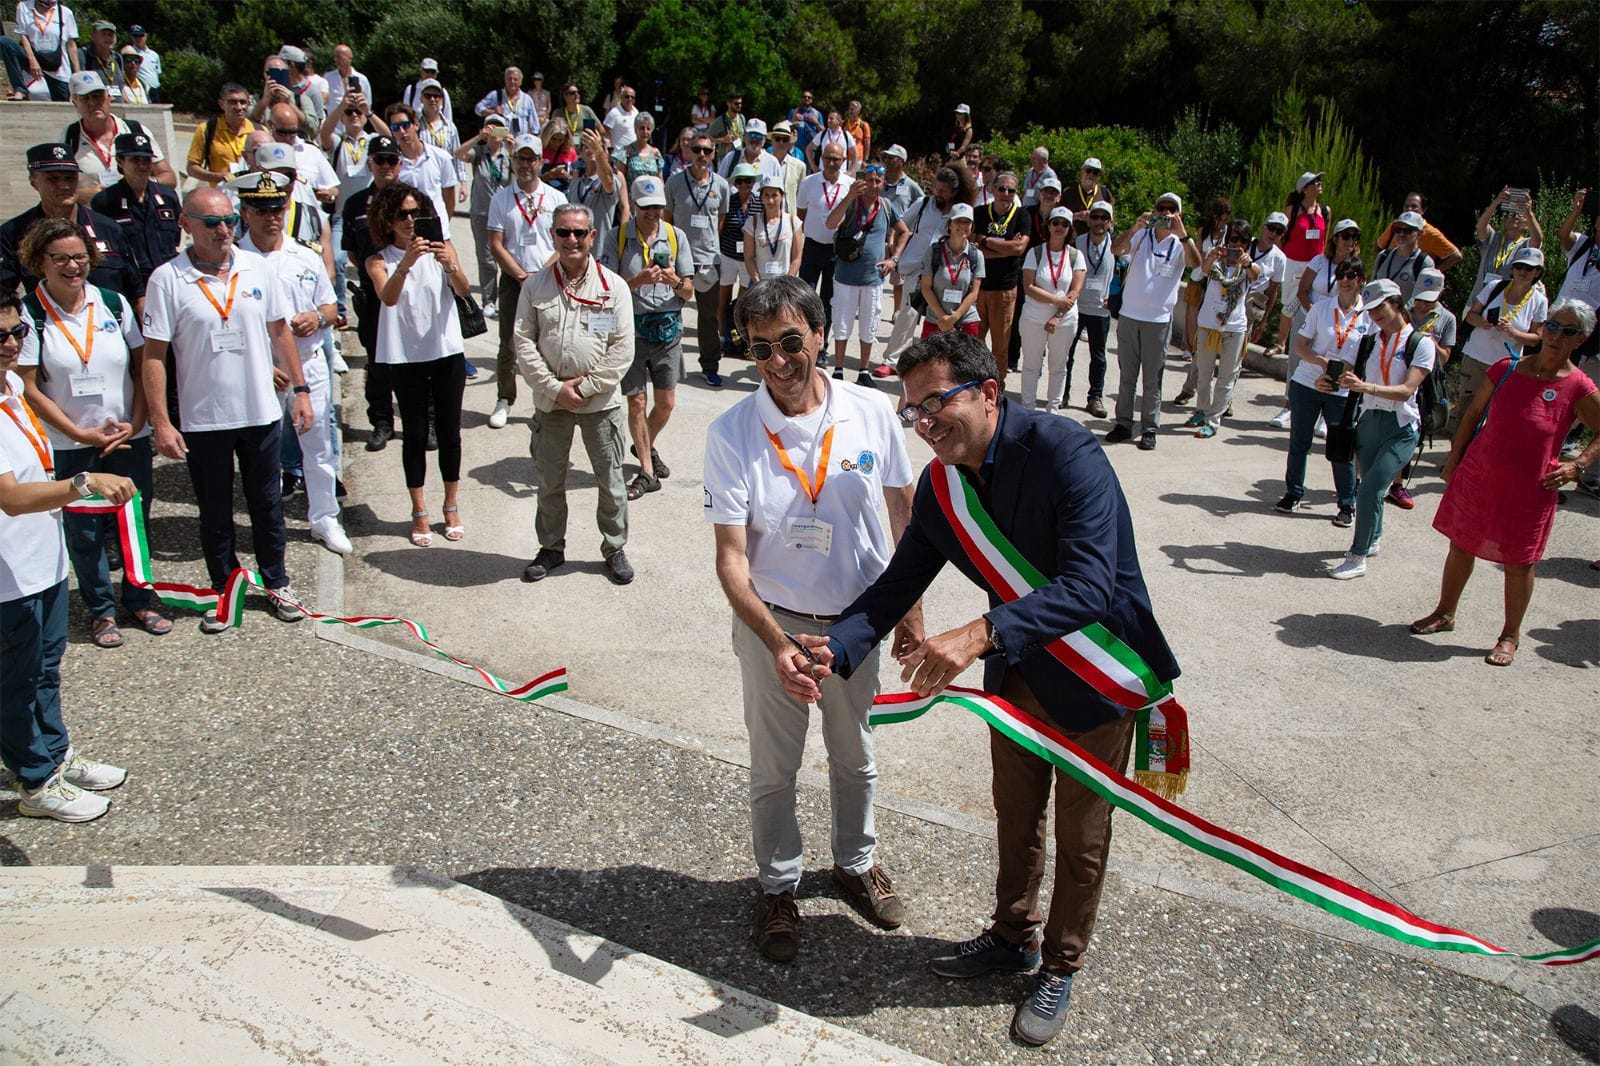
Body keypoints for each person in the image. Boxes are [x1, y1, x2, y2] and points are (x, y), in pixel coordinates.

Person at [807, 330, 1178, 1049]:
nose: (924, 422)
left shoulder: (1066, 453)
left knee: (1081, 838)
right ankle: (1013, 936)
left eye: (935, 402)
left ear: (986, 392)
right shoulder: (942, 485)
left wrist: (977, 634)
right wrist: (834, 650)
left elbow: (1092, 586)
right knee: (1015, 816)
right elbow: (895, 588)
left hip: (1096, 676)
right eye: (913, 410)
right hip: (1018, 675)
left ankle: (1061, 965)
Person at [703, 274, 916, 963]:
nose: (778, 361)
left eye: (791, 342)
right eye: (760, 348)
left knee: (855, 756)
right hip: (774, 621)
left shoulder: (872, 411)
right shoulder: (731, 432)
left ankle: (856, 864)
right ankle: (777, 885)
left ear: (821, 337)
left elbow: (905, 517)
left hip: (857, 622)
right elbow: (731, 560)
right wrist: (775, 643)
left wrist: (910, 613)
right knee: (774, 767)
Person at [139, 186, 313, 630]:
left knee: (267, 505)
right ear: (185, 225)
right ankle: (225, 588)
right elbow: (154, 355)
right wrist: (161, 421)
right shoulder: (167, 279)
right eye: (212, 223)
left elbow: (280, 331)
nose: (223, 230)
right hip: (205, 417)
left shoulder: (256, 267)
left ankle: (277, 582)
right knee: (215, 511)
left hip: (260, 412)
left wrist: (301, 389)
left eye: (229, 221)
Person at [1, 291, 132, 822]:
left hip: (42, 558)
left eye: (17, 332)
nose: (11, 344)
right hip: (8, 573)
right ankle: (35, 781)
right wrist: (83, 482)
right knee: (14, 682)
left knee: (46, 669)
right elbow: (10, 497)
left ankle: (54, 755)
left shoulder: (12, 387)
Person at [1411, 300, 1599, 666]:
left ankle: (1509, 635)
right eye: (1552, 326)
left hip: (1530, 490)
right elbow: (1473, 414)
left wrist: (1578, 466)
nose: (1556, 336)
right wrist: (1454, 460)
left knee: (1518, 562)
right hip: (1480, 476)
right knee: (1460, 546)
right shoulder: (1507, 367)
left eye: (1568, 331)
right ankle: (1444, 612)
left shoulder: (1579, 385)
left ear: (1581, 340)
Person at [15, 219, 167, 646]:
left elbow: (141, 367)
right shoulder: (30, 313)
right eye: (60, 258)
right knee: (84, 533)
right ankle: (101, 610)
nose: (72, 266)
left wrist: (136, 422)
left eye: (80, 257)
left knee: (133, 523)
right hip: (69, 442)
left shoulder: (112, 303)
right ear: (40, 261)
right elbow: (28, 387)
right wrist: (80, 434)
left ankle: (140, 598)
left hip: (125, 437)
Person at [513, 204, 635, 585]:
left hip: (599, 402)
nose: (571, 240)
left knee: (610, 480)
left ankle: (614, 548)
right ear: (553, 235)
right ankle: (551, 547)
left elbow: (622, 349)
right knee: (549, 480)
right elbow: (522, 342)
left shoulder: (613, 287)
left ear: (592, 237)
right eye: (563, 232)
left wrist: (583, 388)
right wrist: (555, 389)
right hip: (551, 403)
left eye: (579, 233)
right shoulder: (535, 286)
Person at [235, 173, 347, 556]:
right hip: (260, 370)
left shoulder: (306, 255)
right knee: (260, 455)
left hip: (308, 364)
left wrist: (317, 318)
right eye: (262, 210)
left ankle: (325, 518)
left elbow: (330, 306)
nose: (272, 217)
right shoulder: (236, 261)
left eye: (277, 209)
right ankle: (267, 526)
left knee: (318, 448)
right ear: (246, 212)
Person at [364, 182, 470, 547]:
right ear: (387, 220)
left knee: (450, 432)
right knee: (414, 433)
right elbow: (389, 298)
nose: (410, 220)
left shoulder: (443, 247)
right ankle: (419, 509)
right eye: (402, 214)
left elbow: (463, 288)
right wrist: (406, 262)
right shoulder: (378, 260)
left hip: (445, 349)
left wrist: (449, 265)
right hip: (405, 356)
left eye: (415, 213)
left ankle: (451, 505)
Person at [1319, 279, 1437, 580]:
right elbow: (1343, 369)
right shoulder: (1367, 341)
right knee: (1373, 489)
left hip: (1401, 426)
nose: (1374, 315)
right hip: (1369, 420)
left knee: (1370, 489)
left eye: (1379, 307)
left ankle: (1356, 557)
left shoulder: (1420, 343)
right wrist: (1328, 381)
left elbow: (1406, 390)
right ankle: (1374, 537)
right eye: (1369, 310)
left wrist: (1365, 387)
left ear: (1396, 303)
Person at [601, 176, 693, 499]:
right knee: (637, 400)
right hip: (632, 329)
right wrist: (636, 281)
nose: (653, 214)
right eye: (646, 208)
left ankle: (644, 445)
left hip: (667, 329)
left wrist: (674, 281)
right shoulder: (616, 237)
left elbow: (689, 291)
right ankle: (647, 471)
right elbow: (606, 290)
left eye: (658, 208)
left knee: (666, 404)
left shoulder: (675, 236)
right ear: (635, 206)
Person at [1106, 192, 1200, 450]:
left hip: (1158, 320)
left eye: (1171, 209)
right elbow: (1116, 249)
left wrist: (1183, 234)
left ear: (1178, 214)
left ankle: (1149, 427)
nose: (1166, 213)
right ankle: (1123, 423)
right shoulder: (1142, 236)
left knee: (1152, 378)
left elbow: (1196, 264)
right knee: (1127, 375)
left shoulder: (1181, 243)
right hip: (1130, 315)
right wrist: (1134, 227)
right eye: (1162, 208)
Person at [1277, 256, 1368, 520]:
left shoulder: (1368, 316)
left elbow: (1366, 356)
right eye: (1340, 275)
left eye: (1351, 276)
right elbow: (1300, 346)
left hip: (1342, 390)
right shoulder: (1321, 308)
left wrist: (1339, 375)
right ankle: (1293, 492)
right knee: (1299, 442)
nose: (1344, 281)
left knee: (1341, 448)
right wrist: (1322, 364)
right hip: (1308, 382)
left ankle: (1347, 503)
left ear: (1361, 280)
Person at [487, 133, 568, 430]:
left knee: (550, 343)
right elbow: (496, 244)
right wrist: (521, 276)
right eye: (520, 158)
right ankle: (504, 398)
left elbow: (564, 242)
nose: (525, 165)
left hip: (549, 278)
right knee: (509, 343)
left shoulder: (556, 198)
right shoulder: (501, 198)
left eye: (531, 159)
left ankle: (545, 401)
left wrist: (540, 275)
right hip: (514, 279)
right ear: (513, 160)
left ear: (540, 161)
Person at [2, 143, 142, 304]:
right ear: (34, 182)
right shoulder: (14, 233)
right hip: (49, 318)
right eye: (53, 179)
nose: (64, 186)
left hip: (108, 317)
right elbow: (3, 295)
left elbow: (137, 292)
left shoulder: (108, 228)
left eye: (70, 178)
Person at [340, 136, 403, 452]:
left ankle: (425, 420)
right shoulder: (355, 204)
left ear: (400, 164)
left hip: (409, 295)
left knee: (417, 363)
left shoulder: (413, 201)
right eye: (380, 160)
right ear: (370, 164)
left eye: (391, 160)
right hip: (373, 296)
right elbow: (353, 252)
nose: (386, 166)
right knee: (377, 364)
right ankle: (382, 422)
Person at [1272, 218, 1362, 431]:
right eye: (1346, 236)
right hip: (1309, 315)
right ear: (1336, 238)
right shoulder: (1319, 261)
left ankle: (1324, 414)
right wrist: (1316, 313)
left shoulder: (1354, 268)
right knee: (1298, 361)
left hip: (1339, 325)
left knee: (1335, 363)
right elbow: (1303, 290)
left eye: (1354, 237)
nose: (1350, 241)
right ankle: (1289, 406)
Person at [1451, 245, 1549, 436]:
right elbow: (1471, 315)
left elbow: (1536, 338)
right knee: (1466, 410)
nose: (1523, 272)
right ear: (1512, 268)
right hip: (1475, 358)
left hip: (1504, 365)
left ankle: (1479, 452)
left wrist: (1513, 332)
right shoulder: (1495, 287)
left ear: (1537, 272)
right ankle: (1456, 453)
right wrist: (1481, 322)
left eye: (1529, 268)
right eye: (1519, 266)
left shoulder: (1539, 301)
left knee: (1493, 414)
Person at [824, 163, 908, 383]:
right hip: (846, 276)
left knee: (869, 324)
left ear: (883, 183)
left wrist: (894, 259)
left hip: (873, 278)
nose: (873, 185)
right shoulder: (852, 203)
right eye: (869, 180)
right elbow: (830, 223)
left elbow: (904, 232)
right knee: (842, 323)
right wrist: (849, 196)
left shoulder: (886, 206)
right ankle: (839, 369)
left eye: (878, 181)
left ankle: (863, 371)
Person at [1385, 267, 1456, 510]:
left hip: (1426, 383)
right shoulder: (1401, 311)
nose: (1423, 305)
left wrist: (1431, 343)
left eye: (1429, 300)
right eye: (1420, 299)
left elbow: (1446, 357)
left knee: (1411, 433)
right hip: (1395, 374)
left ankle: (1397, 484)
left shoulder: (1447, 318)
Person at [663, 132, 730, 386]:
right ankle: (666, 364)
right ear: (689, 152)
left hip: (709, 259)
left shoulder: (721, 185)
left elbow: (720, 221)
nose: (702, 155)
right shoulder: (674, 183)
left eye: (707, 151)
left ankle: (710, 366)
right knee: (670, 313)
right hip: (680, 259)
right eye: (697, 149)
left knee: (709, 317)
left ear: (713, 155)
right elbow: (667, 219)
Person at [1183, 220, 1260, 439]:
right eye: (1233, 239)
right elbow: (1203, 271)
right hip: (1209, 324)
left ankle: (1213, 420)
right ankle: (1201, 410)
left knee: (1226, 377)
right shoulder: (1215, 261)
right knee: (1203, 373)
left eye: (1242, 241)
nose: (1237, 245)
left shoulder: (1247, 267)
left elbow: (1256, 275)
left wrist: (1247, 264)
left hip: (1234, 328)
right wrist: (1212, 256)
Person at [887, 165, 969, 358]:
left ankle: (933, 361)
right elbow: (900, 224)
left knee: (939, 317)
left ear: (954, 192)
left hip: (943, 272)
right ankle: (893, 359)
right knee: (907, 314)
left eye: (943, 190)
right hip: (915, 268)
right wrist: (892, 244)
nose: (938, 193)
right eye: (936, 188)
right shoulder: (923, 203)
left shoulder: (959, 213)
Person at [62, 71, 178, 202]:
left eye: (97, 96)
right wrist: (81, 195)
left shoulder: (135, 131)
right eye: (85, 98)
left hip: (135, 211)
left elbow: (170, 178)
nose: (92, 103)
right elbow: (55, 186)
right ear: (75, 102)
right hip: (93, 213)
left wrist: (143, 183)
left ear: (109, 97)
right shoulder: (68, 138)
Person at [90, 132, 181, 287]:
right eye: (135, 160)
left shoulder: (167, 196)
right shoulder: (105, 201)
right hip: (132, 284)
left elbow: (175, 239)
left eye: (146, 160)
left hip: (170, 280)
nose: (142, 166)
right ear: (120, 161)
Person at [1017, 207, 1086, 411]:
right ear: (1048, 226)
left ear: (1070, 229)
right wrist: (1056, 300)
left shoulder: (1075, 256)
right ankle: (1028, 408)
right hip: (1033, 317)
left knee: (1058, 366)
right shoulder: (1035, 252)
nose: (1059, 227)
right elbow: (1028, 286)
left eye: (1065, 224)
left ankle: (1053, 410)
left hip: (1064, 320)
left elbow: (1075, 290)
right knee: (1031, 365)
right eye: (1056, 222)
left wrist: (1058, 315)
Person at [972, 172, 1028, 390]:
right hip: (978, 287)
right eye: (1002, 188)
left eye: (1011, 190)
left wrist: (985, 241)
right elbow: (972, 246)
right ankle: (974, 383)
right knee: (974, 342)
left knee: (1000, 345)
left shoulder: (1021, 215)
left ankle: (997, 386)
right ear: (993, 189)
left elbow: (1019, 248)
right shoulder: (979, 212)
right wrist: (1005, 247)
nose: (1006, 193)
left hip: (1004, 290)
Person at [1270, 172, 1332, 361]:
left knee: (1313, 302)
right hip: (1293, 261)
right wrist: (1284, 257)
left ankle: (1309, 344)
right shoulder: (1293, 210)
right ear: (1305, 188)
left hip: (1316, 263)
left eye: (1320, 181)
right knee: (1289, 302)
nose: (1319, 184)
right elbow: (1281, 235)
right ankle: (1281, 343)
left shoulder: (1325, 211)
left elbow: (1325, 238)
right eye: (1314, 182)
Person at [795, 141, 849, 351]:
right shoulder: (809, 183)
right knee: (805, 296)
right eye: (827, 158)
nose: (831, 163)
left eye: (836, 159)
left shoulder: (850, 185)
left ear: (843, 160)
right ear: (821, 158)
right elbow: (801, 214)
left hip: (836, 251)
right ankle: (802, 342)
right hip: (812, 247)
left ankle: (821, 346)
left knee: (829, 300)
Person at [459, 115, 513, 317]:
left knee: (508, 256)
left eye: (499, 127)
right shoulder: (479, 153)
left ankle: (509, 299)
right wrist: (478, 138)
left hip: (505, 214)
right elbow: (458, 154)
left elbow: (524, 175)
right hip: (482, 212)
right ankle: (489, 300)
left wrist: (513, 150)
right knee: (486, 258)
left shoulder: (509, 155)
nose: (495, 131)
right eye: (491, 127)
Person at [1065, 200, 1115, 417]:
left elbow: (1125, 271)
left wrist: (1115, 297)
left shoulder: (1116, 246)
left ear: (1110, 222)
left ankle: (1095, 397)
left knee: (1099, 356)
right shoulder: (1078, 242)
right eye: (1095, 217)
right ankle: (1063, 392)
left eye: (1104, 218)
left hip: (1100, 309)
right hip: (1076, 306)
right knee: (1067, 353)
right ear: (1089, 219)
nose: (1099, 222)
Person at [918, 203, 985, 341]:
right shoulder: (933, 251)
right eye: (958, 221)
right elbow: (926, 288)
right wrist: (943, 318)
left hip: (965, 321)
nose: (963, 225)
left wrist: (954, 318)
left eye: (967, 222)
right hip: (936, 320)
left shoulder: (976, 255)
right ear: (949, 224)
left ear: (972, 226)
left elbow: (974, 293)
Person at [1180, 197, 1232, 364]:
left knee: (1209, 312)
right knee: (1192, 312)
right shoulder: (1203, 232)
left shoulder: (1228, 233)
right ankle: (1189, 346)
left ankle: (1201, 348)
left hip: (1216, 277)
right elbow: (1197, 253)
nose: (1222, 223)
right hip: (1199, 274)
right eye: (1219, 219)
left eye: (1225, 219)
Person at [717, 162, 761, 357]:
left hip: (748, 260)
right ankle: (722, 339)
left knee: (743, 303)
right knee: (723, 301)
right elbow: (721, 227)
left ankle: (744, 343)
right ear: (735, 183)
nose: (744, 185)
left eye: (748, 181)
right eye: (740, 181)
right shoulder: (729, 201)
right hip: (728, 256)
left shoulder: (759, 203)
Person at [1469, 186, 1543, 300]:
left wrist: (1528, 212)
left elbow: (1537, 239)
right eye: (1511, 215)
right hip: (1478, 298)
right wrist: (1496, 202)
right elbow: (1480, 226)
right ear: (1504, 221)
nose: (1515, 217)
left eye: (1520, 215)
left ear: (1527, 225)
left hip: (1504, 302)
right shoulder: (1493, 237)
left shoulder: (1525, 245)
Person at [386, 102, 457, 221]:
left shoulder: (440, 156)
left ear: (416, 124)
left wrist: (443, 224)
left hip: (435, 225)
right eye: (395, 127)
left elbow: (450, 199)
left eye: (405, 125)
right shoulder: (391, 162)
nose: (402, 131)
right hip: (405, 225)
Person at [3, 0, 79, 102]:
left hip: (56, 66)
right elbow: (23, 36)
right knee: (5, 42)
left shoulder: (66, 13)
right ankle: (20, 89)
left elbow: (71, 45)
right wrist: (32, 61)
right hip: (33, 58)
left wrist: (78, 75)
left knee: (62, 100)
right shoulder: (23, 7)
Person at [185, 84, 256, 187]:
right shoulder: (206, 130)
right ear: (221, 104)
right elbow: (191, 169)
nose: (239, 107)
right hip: (221, 192)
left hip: (253, 192)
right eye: (232, 102)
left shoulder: (259, 131)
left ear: (248, 104)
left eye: (243, 102)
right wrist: (219, 177)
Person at [570, 126, 626, 251]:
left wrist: (598, 150)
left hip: (600, 252)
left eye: (597, 146)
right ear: (581, 153)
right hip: (575, 251)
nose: (591, 149)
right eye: (586, 146)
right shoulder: (576, 182)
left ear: (606, 153)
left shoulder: (611, 179)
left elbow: (608, 180)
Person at [1375, 192, 1461, 271]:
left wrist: (1432, 274)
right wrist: (1377, 269)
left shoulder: (1431, 233)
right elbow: (1379, 245)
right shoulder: (1395, 225)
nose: (1409, 209)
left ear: (1423, 210)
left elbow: (1455, 256)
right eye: (1406, 206)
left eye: (1414, 206)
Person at [744, 174, 802, 283]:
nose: (770, 201)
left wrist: (787, 282)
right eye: (766, 195)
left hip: (785, 283)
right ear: (761, 197)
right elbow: (749, 257)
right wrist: (758, 283)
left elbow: (796, 258)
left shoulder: (793, 222)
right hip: (760, 282)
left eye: (775, 195)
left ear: (782, 196)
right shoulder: (752, 223)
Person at [1372, 210, 1435, 302]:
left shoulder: (1424, 263)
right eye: (1398, 230)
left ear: (1420, 233)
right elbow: (1372, 286)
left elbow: (1423, 300)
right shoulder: (1382, 256)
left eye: (1407, 231)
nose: (1401, 234)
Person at [475, 66, 539, 136]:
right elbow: (478, 108)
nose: (512, 81)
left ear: (520, 82)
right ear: (505, 80)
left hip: (521, 140)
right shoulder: (495, 95)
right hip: (501, 140)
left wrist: (534, 138)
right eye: (509, 79)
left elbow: (535, 124)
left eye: (515, 79)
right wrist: (493, 112)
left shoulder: (527, 99)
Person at [718, 119, 783, 185]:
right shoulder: (730, 158)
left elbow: (779, 188)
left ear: (765, 140)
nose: (755, 139)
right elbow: (718, 184)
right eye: (751, 135)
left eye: (759, 136)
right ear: (744, 136)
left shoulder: (772, 163)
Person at [401, 58, 454, 126]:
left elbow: (448, 116)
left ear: (436, 74)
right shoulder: (411, 90)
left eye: (433, 72)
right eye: (427, 71)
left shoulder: (443, 92)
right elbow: (405, 114)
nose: (429, 74)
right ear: (421, 71)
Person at [1062, 157, 1108, 236]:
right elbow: (1059, 218)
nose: (1091, 175)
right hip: (1072, 239)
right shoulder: (1068, 192)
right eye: (1088, 170)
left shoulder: (1105, 193)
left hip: (1096, 239)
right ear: (1081, 172)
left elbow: (1111, 220)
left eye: (1095, 172)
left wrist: (1095, 218)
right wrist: (1077, 216)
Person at [766, 121, 806, 206]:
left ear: (789, 142)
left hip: (789, 212)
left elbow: (801, 196)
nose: (781, 142)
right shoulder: (762, 163)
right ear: (771, 141)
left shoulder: (800, 166)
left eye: (785, 140)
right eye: (777, 139)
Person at [322, 43, 371, 113]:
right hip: (334, 118)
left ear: (349, 58)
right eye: (335, 57)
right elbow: (324, 101)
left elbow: (368, 104)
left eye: (339, 57)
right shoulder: (328, 77)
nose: (336, 60)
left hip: (354, 117)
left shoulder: (362, 79)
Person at [539, 122, 579, 193]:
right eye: (553, 139)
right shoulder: (540, 151)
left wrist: (566, 176)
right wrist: (549, 175)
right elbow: (532, 180)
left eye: (560, 140)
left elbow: (576, 181)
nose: (556, 143)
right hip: (544, 193)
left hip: (564, 193)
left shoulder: (570, 152)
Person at [602, 83, 639, 152]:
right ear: (621, 98)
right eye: (627, 96)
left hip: (633, 153)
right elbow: (605, 132)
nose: (630, 99)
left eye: (632, 97)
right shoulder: (614, 113)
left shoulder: (636, 112)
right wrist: (609, 149)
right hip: (618, 154)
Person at [626, 113, 663, 181]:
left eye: (648, 129)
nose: (645, 131)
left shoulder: (656, 153)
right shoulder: (626, 152)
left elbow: (660, 179)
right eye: (642, 128)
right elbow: (620, 179)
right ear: (635, 130)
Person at [786, 91, 822, 160]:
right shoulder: (793, 112)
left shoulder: (817, 113)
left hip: (811, 148)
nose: (806, 99)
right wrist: (793, 120)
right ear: (801, 99)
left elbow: (823, 132)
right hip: (796, 147)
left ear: (812, 100)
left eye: (809, 97)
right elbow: (786, 128)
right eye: (804, 97)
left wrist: (816, 122)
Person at [843, 100, 871, 167]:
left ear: (858, 111)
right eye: (849, 109)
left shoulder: (864, 125)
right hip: (845, 159)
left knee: (858, 174)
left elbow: (867, 144)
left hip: (859, 160)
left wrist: (865, 160)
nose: (850, 111)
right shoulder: (843, 124)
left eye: (852, 109)